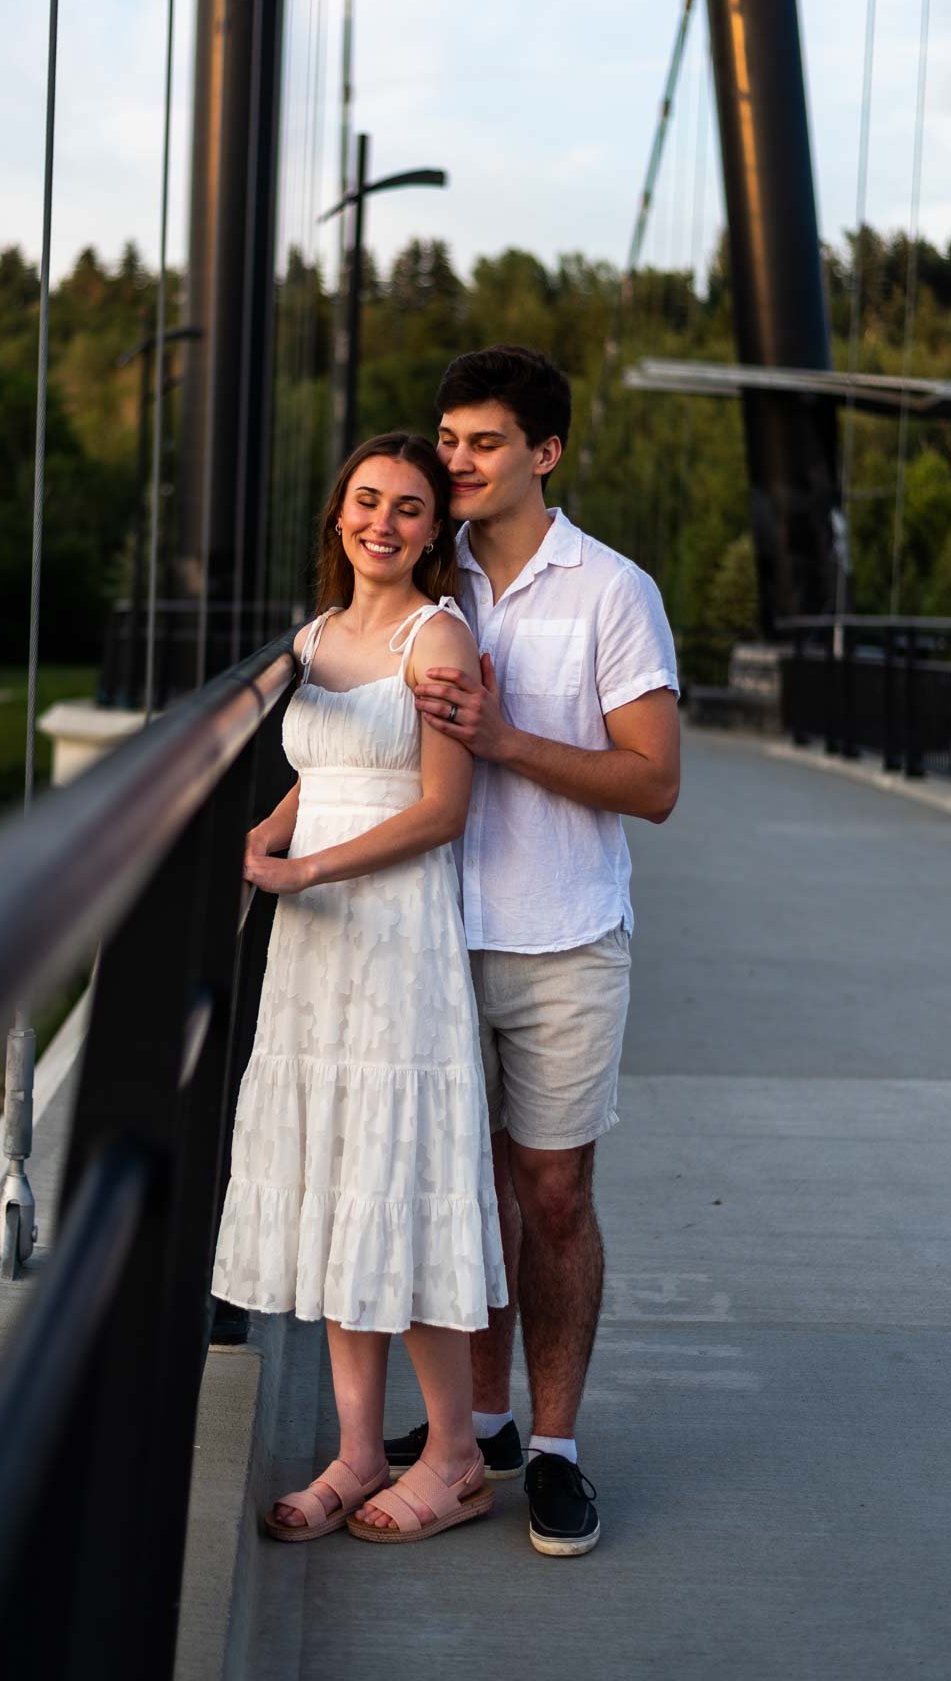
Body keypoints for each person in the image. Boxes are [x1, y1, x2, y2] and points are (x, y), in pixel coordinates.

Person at [388, 343, 680, 1558]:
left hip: (563, 939)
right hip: (428, 936)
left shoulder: (611, 589)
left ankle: (553, 1452)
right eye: (446, 440)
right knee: (459, 1198)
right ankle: (482, 1428)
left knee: (550, 1198)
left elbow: (653, 782)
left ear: (544, 453)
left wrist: (505, 740)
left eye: (483, 442)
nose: (454, 462)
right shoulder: (417, 573)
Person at [211, 430, 508, 1546]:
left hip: (391, 937)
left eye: (409, 509)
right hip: (316, 953)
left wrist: (305, 871)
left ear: (436, 532)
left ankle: (453, 1456)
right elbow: (315, 772)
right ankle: (350, 1452)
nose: (382, 523)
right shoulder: (316, 636)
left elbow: (440, 809)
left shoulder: (439, 639)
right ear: (340, 513)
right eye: (366, 502)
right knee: (342, 1179)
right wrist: (266, 833)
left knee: (399, 1179)